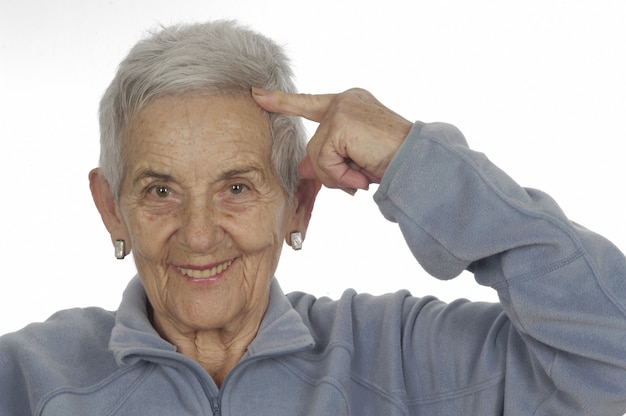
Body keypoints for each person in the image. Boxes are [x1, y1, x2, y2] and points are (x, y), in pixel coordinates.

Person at [1, 20, 625, 416]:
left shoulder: (402, 355)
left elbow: (611, 357)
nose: (197, 234)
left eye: (237, 187)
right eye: (160, 190)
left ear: (298, 202)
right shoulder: (28, 375)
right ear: (113, 210)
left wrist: (416, 161)